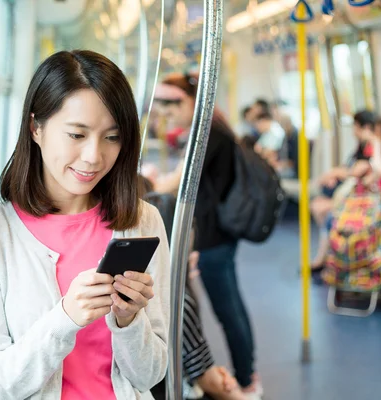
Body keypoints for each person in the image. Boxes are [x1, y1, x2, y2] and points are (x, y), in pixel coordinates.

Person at [0, 50, 171, 400]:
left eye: (112, 137)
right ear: (36, 128)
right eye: (77, 135)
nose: (94, 156)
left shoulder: (141, 221)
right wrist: (65, 318)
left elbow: (150, 375)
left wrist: (129, 322)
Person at [147, 72, 263, 400]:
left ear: (190, 102)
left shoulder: (208, 133)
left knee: (227, 310)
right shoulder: (212, 128)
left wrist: (146, 185)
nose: (169, 115)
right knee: (218, 307)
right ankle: (233, 376)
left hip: (215, 237)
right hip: (214, 232)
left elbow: (182, 179)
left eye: (173, 107)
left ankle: (247, 380)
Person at [309, 110, 376, 273]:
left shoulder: (372, 149)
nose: (353, 131)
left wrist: (335, 173)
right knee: (318, 207)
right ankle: (327, 255)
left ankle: (326, 257)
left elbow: (357, 171)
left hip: (360, 199)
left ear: (365, 128)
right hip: (350, 193)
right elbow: (350, 168)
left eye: (356, 126)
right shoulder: (361, 147)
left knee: (322, 211)